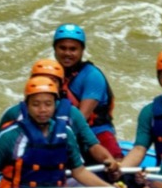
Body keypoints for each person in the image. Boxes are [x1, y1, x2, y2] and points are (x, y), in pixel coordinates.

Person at [0, 78, 117, 188]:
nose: (42, 109)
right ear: (27, 105)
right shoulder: (10, 136)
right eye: (36, 104)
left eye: (48, 104)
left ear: (55, 106)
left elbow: (79, 171)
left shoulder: (65, 133)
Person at [0, 58, 123, 176]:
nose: (45, 84)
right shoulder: (14, 113)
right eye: (40, 79)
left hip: (59, 171)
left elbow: (92, 144)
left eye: (52, 81)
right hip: (24, 174)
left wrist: (108, 159)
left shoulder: (72, 113)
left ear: (61, 85)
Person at [51, 24, 121, 162]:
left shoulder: (92, 76)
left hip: (96, 132)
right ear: (55, 49)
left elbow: (80, 119)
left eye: (73, 49)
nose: (67, 53)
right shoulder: (49, 74)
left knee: (115, 164)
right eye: (62, 48)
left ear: (82, 50)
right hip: (62, 131)